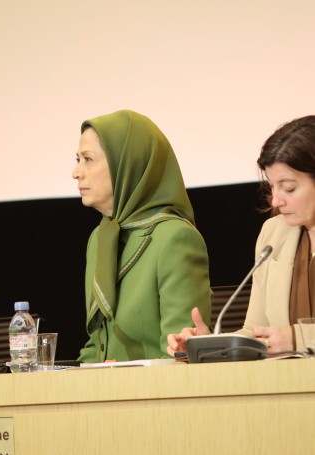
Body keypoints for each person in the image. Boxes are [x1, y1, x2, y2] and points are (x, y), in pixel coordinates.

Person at [167, 115, 315, 356]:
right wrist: (210, 344)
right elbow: (254, 332)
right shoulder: (274, 233)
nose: (276, 200)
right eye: (272, 186)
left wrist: (301, 338)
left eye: (288, 187)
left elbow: (292, 339)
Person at [72, 110, 212, 362]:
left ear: (125, 163)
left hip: (153, 396)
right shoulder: (99, 238)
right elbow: (96, 343)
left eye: (88, 159)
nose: (77, 172)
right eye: (77, 159)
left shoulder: (174, 238)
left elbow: (178, 352)